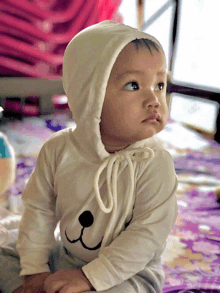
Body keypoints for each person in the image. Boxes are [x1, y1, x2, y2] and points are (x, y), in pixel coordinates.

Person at [0, 20, 178, 293]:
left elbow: (146, 235)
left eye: (160, 85)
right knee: (5, 254)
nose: (154, 99)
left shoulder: (155, 163)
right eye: (133, 85)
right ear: (89, 95)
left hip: (129, 273)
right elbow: (39, 210)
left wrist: (89, 278)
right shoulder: (58, 150)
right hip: (67, 257)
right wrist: (35, 270)